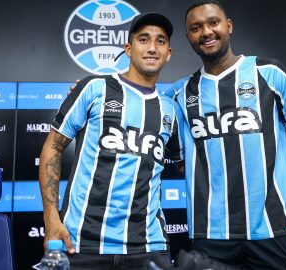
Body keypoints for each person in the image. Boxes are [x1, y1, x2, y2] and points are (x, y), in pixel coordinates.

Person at [163, 0, 286, 269]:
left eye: (213, 22)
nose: (206, 32)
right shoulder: (179, 94)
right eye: (196, 27)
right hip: (211, 235)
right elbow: (136, 106)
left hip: (274, 228)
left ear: (228, 26)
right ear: (188, 37)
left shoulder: (268, 73)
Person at [38, 12, 183, 270]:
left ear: (168, 53)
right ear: (128, 48)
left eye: (160, 42)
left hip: (148, 247)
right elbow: (53, 147)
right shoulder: (94, 88)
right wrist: (51, 220)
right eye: (143, 39)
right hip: (82, 243)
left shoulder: (171, 110)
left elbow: (186, 164)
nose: (152, 48)